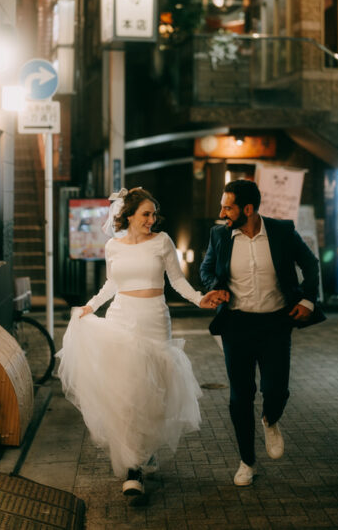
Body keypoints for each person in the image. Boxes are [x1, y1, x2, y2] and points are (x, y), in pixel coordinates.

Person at [57, 187, 225, 498]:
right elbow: (112, 284)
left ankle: (144, 450)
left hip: (155, 320)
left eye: (153, 215)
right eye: (146, 214)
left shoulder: (162, 241)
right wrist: (90, 306)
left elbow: (176, 280)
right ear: (129, 215)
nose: (152, 219)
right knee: (127, 391)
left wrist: (199, 299)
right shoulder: (113, 246)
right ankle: (133, 468)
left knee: (154, 392)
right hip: (121, 318)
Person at [200, 179, 324, 487]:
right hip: (236, 325)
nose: (222, 212)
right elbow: (206, 269)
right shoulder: (219, 235)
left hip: (275, 324)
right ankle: (247, 461)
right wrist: (215, 288)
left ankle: (270, 418)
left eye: (227, 207)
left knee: (277, 389)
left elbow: (310, 263)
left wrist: (308, 300)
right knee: (240, 396)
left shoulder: (282, 232)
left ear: (248, 209)